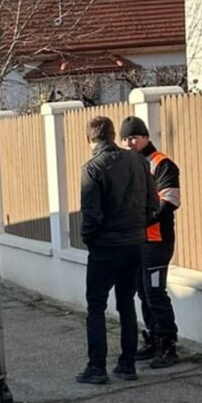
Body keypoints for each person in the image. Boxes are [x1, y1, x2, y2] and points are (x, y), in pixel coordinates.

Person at [77, 116, 157, 385]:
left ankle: (97, 367)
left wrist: (90, 240)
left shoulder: (92, 168)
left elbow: (91, 216)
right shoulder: (138, 161)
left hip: (105, 247)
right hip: (134, 243)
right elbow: (152, 204)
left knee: (96, 307)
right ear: (113, 135)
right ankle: (127, 364)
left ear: (89, 139)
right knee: (127, 305)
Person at [120, 116, 181, 368]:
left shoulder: (162, 164)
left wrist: (143, 222)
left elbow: (170, 202)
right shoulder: (128, 164)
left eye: (134, 137)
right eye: (125, 138)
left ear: (146, 137)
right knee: (143, 292)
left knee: (155, 292)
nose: (129, 142)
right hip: (137, 241)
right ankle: (153, 339)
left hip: (157, 241)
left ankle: (168, 345)